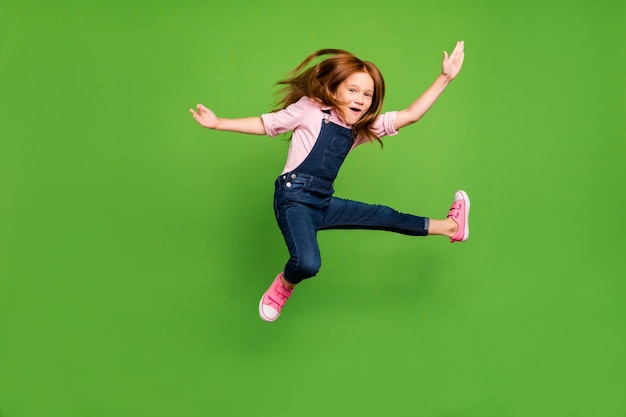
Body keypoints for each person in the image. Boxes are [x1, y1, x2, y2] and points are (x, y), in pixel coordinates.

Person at [190, 41, 469, 322]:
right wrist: (219, 123)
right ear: (334, 89)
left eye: (368, 95)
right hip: (294, 198)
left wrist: (445, 77)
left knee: (385, 216)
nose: (360, 99)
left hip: (323, 201)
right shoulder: (309, 109)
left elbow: (411, 115)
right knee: (308, 263)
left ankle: (452, 227)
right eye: (352, 90)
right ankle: (284, 285)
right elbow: (267, 124)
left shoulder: (360, 128)